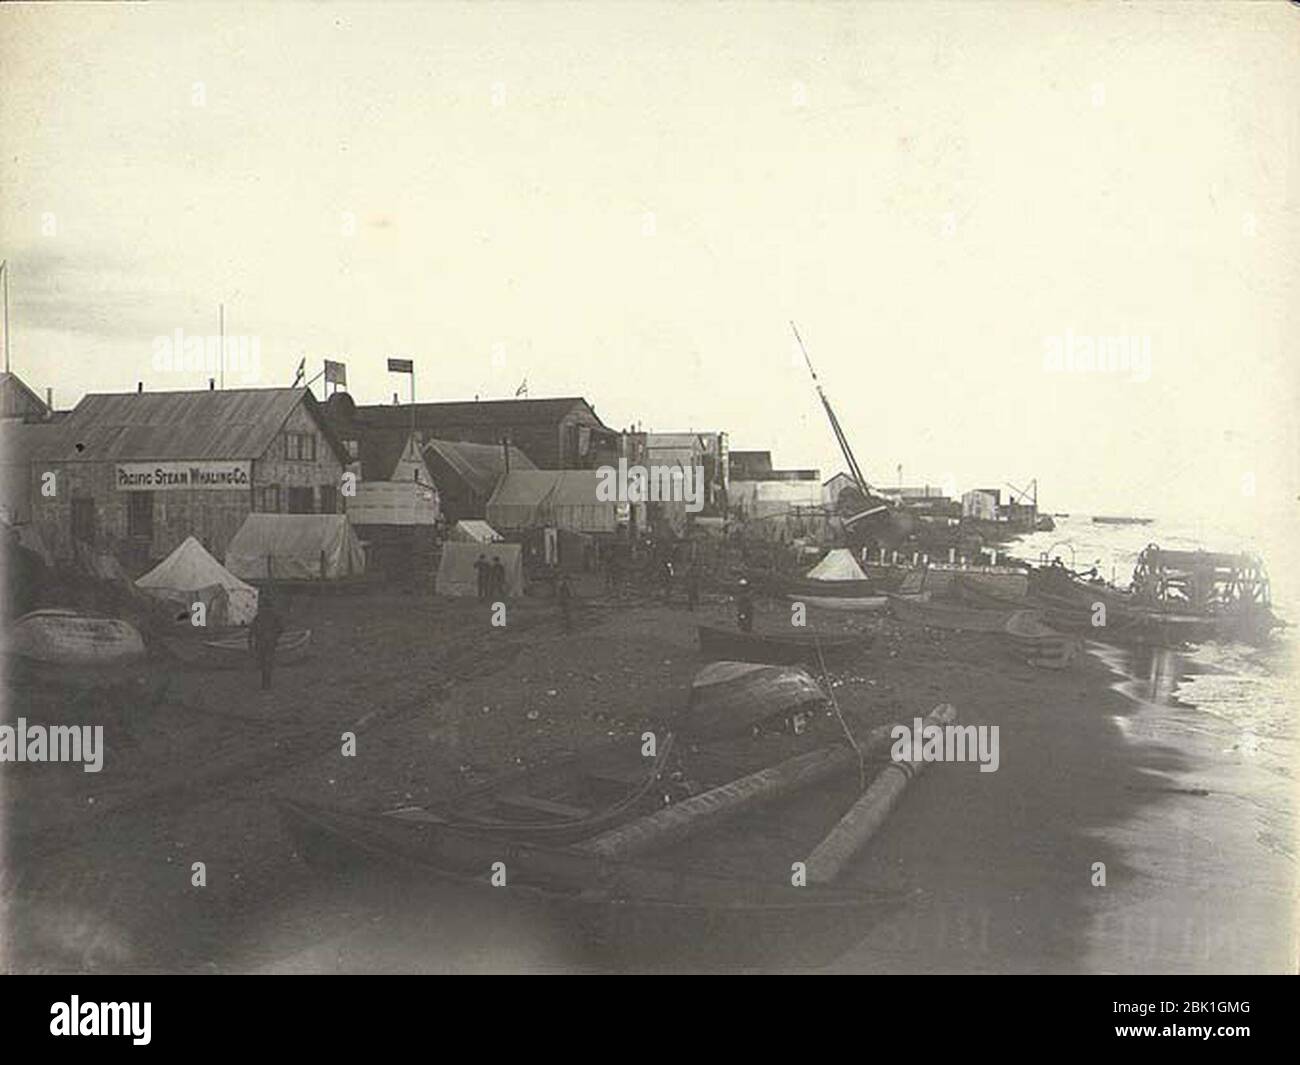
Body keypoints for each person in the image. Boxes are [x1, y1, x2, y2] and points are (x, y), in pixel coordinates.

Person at [249, 589, 285, 691]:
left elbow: (252, 629)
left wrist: (251, 641)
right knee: (268, 662)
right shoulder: (275, 615)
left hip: (261, 642)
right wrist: (275, 636)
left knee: (263, 662)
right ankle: (267, 683)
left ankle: (264, 683)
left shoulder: (259, 616)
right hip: (270, 642)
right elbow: (281, 628)